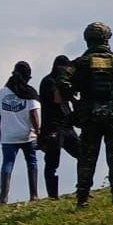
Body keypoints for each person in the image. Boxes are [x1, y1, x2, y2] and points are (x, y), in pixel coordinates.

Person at [58, 22, 113, 207]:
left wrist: (74, 101)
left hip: (91, 115)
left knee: (87, 157)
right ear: (106, 39)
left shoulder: (80, 63)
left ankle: (83, 198)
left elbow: (62, 83)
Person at [0, 61, 41, 205]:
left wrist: (2, 132)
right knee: (32, 162)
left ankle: (3, 198)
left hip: (8, 137)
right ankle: (34, 195)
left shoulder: (2, 93)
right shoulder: (29, 92)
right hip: (27, 135)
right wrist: (38, 131)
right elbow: (33, 114)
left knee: (7, 164)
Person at [38, 55, 80, 200]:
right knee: (52, 162)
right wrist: (61, 84)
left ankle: (82, 187)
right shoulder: (48, 81)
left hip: (67, 125)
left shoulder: (64, 81)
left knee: (83, 155)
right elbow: (57, 99)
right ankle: (53, 195)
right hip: (52, 126)